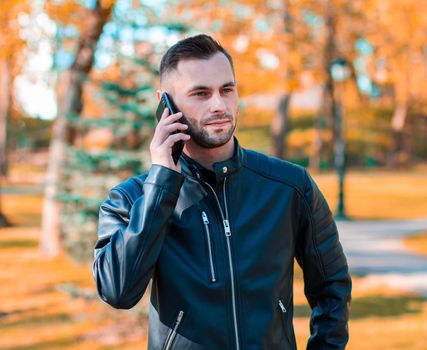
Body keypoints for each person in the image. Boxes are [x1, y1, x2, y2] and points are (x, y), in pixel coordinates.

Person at [92, 34, 351, 350]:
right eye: (200, 93)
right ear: (165, 103)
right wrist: (161, 185)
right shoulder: (132, 198)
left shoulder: (290, 187)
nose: (219, 104)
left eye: (226, 90)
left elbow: (332, 287)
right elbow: (118, 291)